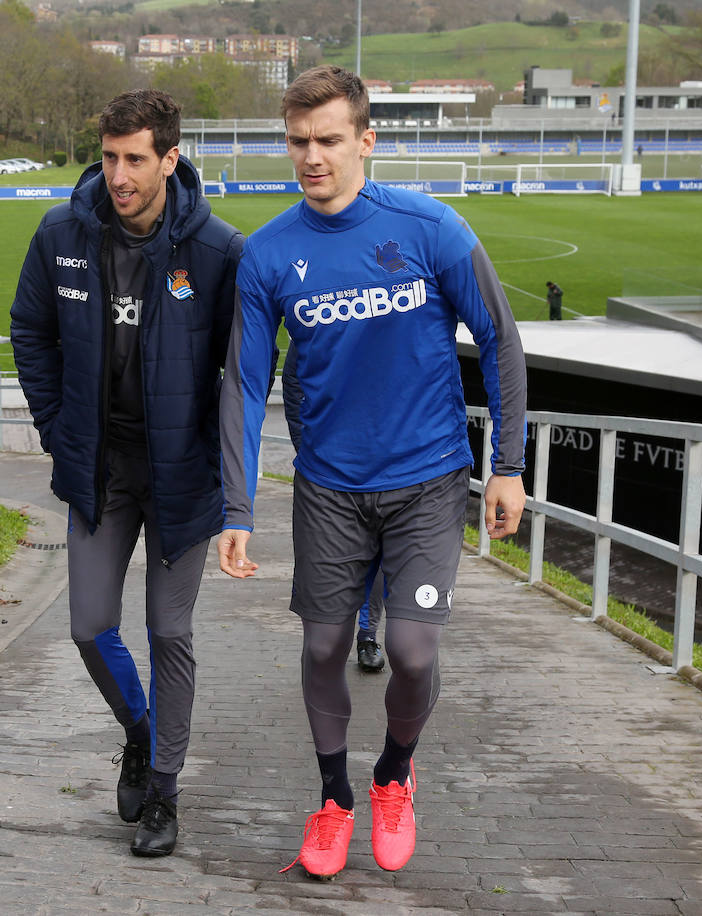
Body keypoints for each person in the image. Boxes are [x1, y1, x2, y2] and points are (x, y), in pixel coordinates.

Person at [218, 65, 526, 880]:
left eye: (327, 140)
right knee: (323, 646)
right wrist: (237, 507)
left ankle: (393, 775)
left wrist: (509, 465)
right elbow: (247, 386)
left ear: (366, 140)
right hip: (328, 489)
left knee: (414, 653)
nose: (311, 157)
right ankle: (333, 800)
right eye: (297, 142)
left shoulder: (430, 229)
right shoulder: (269, 254)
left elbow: (499, 339)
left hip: (428, 479)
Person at [10, 88, 243, 857]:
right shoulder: (62, 234)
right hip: (98, 468)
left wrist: (226, 476)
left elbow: (244, 375)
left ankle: (165, 798)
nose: (118, 175)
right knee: (87, 624)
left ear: (170, 159)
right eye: (109, 157)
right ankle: (139, 730)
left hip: (179, 474)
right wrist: (55, 429)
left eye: (135, 159)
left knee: (168, 629)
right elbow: (30, 332)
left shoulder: (217, 252)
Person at [282, 346, 385, 674]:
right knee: (335, 562)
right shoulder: (320, 304)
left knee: (381, 557)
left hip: (392, 464)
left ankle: (368, 635)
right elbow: (293, 380)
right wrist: (306, 445)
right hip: (330, 470)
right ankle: (334, 636)